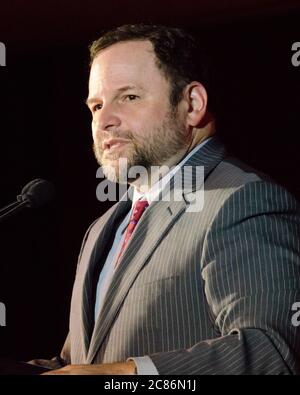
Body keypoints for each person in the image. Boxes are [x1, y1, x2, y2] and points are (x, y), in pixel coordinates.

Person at [32, 24, 300, 375]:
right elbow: (82, 365)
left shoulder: (243, 199)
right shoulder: (102, 229)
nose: (104, 121)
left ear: (192, 104)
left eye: (128, 97)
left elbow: (272, 353)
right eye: (96, 105)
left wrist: (127, 374)